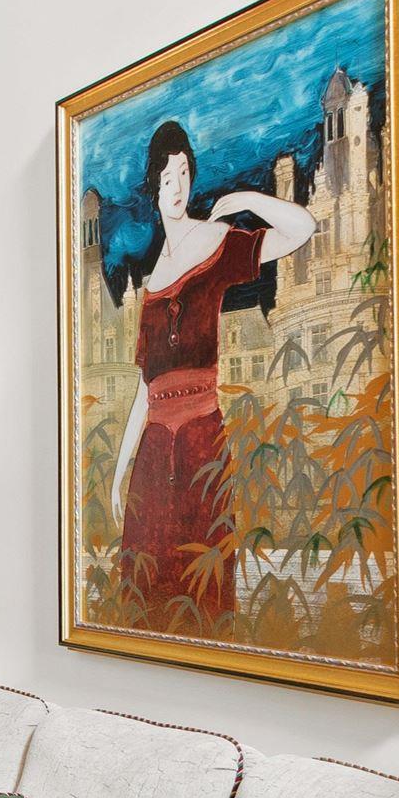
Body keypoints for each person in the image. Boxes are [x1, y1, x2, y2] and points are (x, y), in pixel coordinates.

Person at [107, 122, 312, 622]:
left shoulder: (216, 241)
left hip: (202, 442)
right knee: (148, 583)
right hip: (154, 455)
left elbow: (302, 228)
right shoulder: (152, 280)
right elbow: (144, 389)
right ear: (153, 186)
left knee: (205, 574)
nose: (178, 186)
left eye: (185, 174)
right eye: (168, 176)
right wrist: (118, 475)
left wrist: (244, 196)